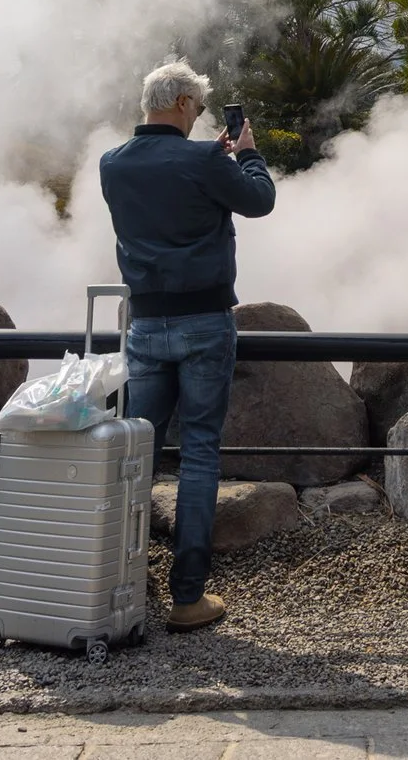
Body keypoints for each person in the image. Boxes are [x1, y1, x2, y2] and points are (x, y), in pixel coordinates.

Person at [98, 58, 274, 632]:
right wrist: (244, 153)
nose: (199, 118)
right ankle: (187, 598)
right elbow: (259, 200)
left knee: (134, 456)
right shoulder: (204, 159)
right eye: (196, 108)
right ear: (179, 104)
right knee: (199, 453)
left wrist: (211, 159)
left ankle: (114, 582)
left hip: (144, 327)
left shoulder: (112, 164)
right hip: (204, 322)